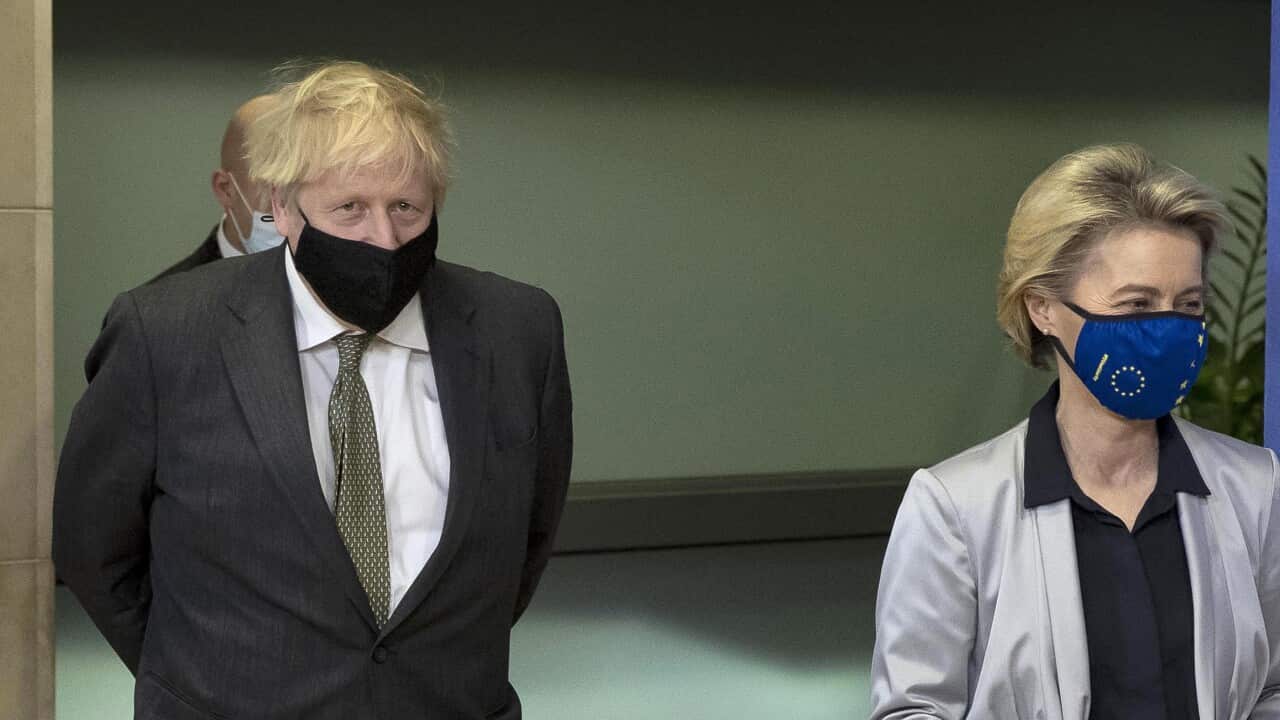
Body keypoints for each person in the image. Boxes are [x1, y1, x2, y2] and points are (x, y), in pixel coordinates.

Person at [54, 60, 573, 719]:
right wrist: (199, 671)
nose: (383, 238)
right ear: (282, 208)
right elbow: (92, 546)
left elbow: (526, 542)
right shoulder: (165, 332)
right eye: (349, 208)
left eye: (407, 208)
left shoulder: (518, 330)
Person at [870, 144, 1280, 719]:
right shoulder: (956, 508)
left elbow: (1272, 691)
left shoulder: (1255, 487)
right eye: (1136, 304)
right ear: (1042, 307)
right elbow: (914, 709)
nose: (1167, 330)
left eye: (1187, 305)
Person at [154, 94, 284, 279]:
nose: (290, 211)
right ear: (225, 189)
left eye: (302, 186)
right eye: (273, 186)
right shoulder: (163, 304)